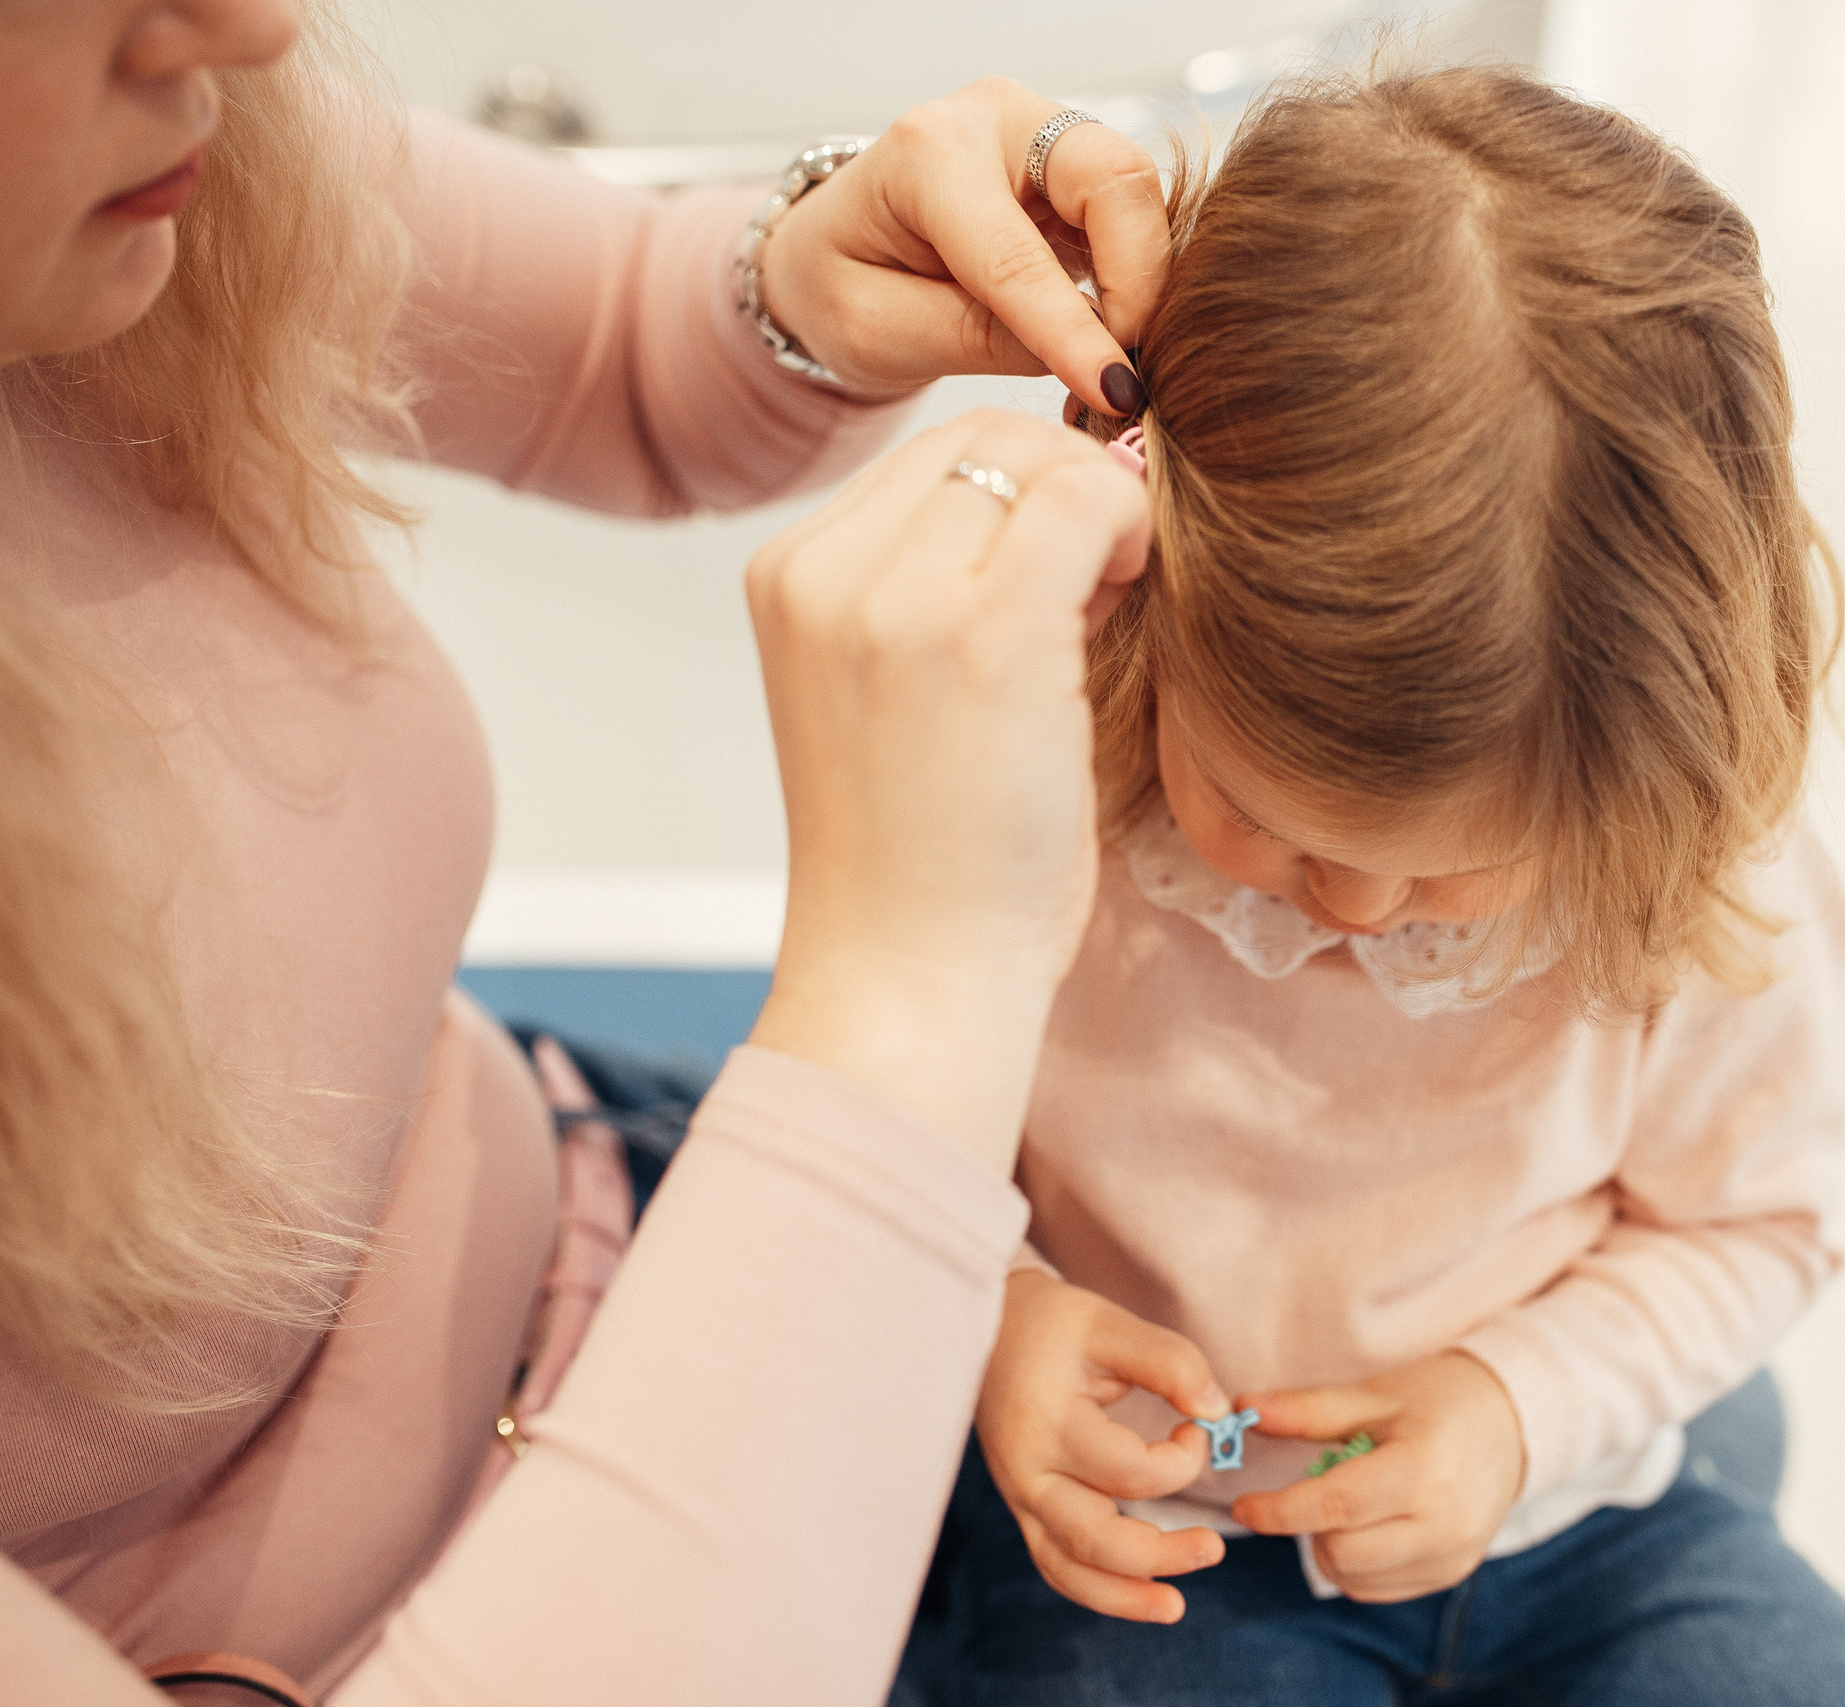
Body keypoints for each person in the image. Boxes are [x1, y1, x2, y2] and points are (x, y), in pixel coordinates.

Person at [0, 2, 1169, 1702]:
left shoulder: (157, 155)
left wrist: (813, 278)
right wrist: (911, 974)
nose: (254, 23)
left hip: (613, 1173)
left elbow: (629, 338)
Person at [894, 65, 1845, 1704]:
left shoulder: (1689, 875)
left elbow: (1750, 1226)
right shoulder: (1027, 772)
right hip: (1174, 1554)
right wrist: (997, 1322)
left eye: (1462, 863)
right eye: (1269, 815)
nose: (1359, 912)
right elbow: (876, 1144)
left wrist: (1513, 1407)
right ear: (1141, 599)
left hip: (1583, 1529)